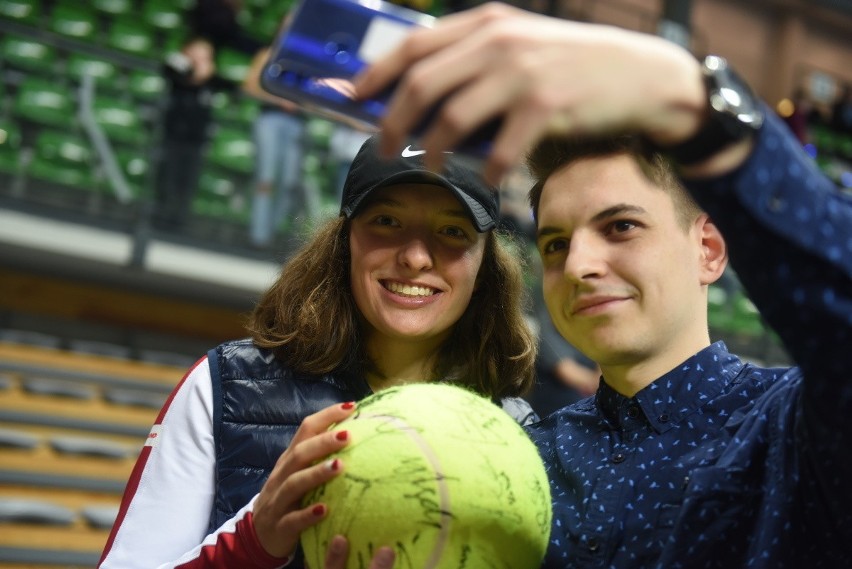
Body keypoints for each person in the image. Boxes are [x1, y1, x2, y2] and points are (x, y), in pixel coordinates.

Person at [353, 3, 851, 566]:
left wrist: (688, 99)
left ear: (709, 250)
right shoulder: (518, 458)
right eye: (556, 244)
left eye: (621, 227)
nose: (580, 265)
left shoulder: (791, 427)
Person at [97, 133, 538, 568]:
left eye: (451, 230)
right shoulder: (226, 386)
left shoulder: (517, 432)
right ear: (345, 241)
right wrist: (252, 543)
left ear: (485, 265)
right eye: (387, 221)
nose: (416, 257)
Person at [242, 46, 312, 247]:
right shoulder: (268, 53)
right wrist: (278, 97)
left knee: (289, 182)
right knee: (266, 178)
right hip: (270, 118)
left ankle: (271, 233)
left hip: (297, 122)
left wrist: (299, 102)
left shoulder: (308, 58)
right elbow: (250, 86)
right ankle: (258, 236)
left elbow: (318, 94)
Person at [152, 37, 223, 230]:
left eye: (206, 55)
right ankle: (160, 216)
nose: (201, 59)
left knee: (187, 181)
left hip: (196, 137)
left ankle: (179, 221)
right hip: (174, 132)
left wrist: (206, 75)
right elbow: (173, 74)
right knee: (168, 176)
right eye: (198, 53)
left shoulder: (212, 78)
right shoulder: (178, 68)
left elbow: (228, 85)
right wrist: (195, 72)